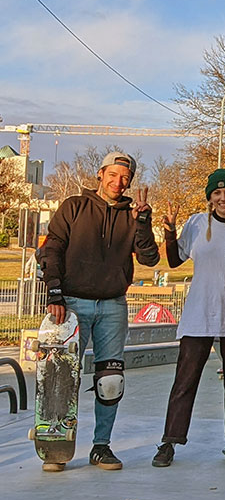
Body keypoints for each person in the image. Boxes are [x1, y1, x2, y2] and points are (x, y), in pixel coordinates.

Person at [39, 151, 160, 472]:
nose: (118, 182)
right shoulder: (74, 207)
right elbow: (51, 249)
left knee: (110, 380)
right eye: (113, 175)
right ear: (101, 174)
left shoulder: (132, 216)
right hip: (72, 304)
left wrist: (144, 224)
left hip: (112, 305)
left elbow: (149, 259)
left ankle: (101, 447)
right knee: (61, 377)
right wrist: (54, 291)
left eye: (125, 178)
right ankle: (55, 445)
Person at [152, 169, 225, 467]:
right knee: (185, 380)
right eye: (217, 194)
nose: (223, 198)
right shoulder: (196, 224)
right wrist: (169, 233)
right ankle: (170, 441)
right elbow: (175, 260)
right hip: (199, 315)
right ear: (210, 198)